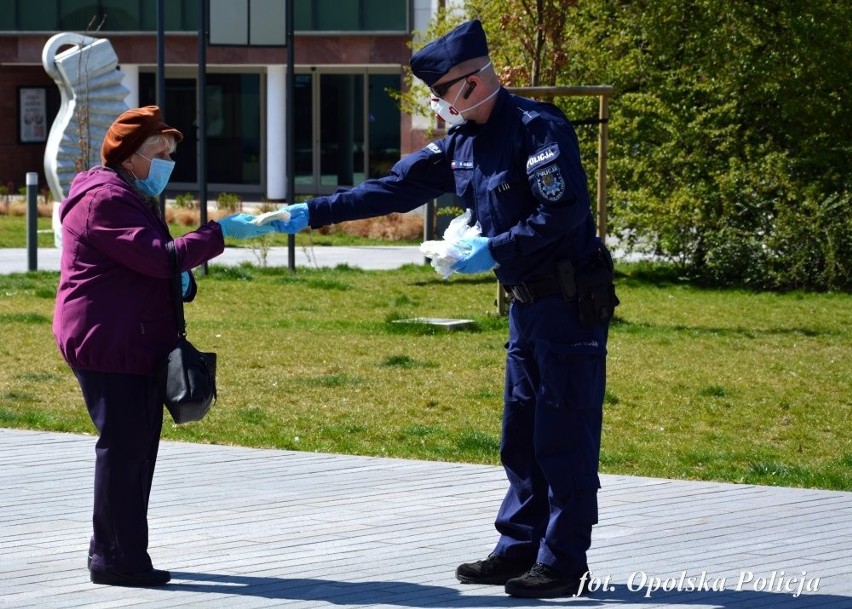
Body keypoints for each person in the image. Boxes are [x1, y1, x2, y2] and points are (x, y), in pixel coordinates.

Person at [270, 20, 618, 599]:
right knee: (521, 436)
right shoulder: (462, 142)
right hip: (527, 308)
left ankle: (562, 562)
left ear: (471, 83)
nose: (437, 106)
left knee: (563, 433)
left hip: (568, 304)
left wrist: (495, 250)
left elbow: (563, 213)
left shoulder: (538, 130)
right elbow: (393, 189)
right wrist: (310, 214)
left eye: (440, 94)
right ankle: (517, 549)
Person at [52, 105, 274, 587]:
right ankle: (116, 559)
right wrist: (218, 234)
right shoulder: (105, 199)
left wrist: (183, 280)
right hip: (108, 341)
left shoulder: (129, 193)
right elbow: (156, 259)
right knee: (124, 451)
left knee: (133, 451)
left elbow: (151, 264)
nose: (169, 160)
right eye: (160, 151)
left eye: (171, 151)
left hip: (129, 337)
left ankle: (116, 549)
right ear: (131, 156)